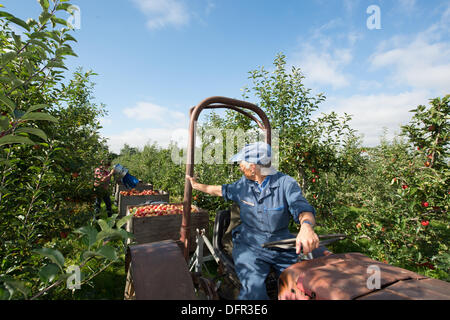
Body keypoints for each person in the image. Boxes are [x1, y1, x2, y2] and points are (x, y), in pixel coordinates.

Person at [186, 142, 320, 300]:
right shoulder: (243, 185)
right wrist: (196, 186)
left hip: (281, 244)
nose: (240, 167)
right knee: (254, 292)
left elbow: (302, 208)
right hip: (250, 245)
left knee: (301, 286)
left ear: (253, 167)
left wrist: (306, 227)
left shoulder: (286, 183)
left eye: (241, 163)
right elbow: (219, 190)